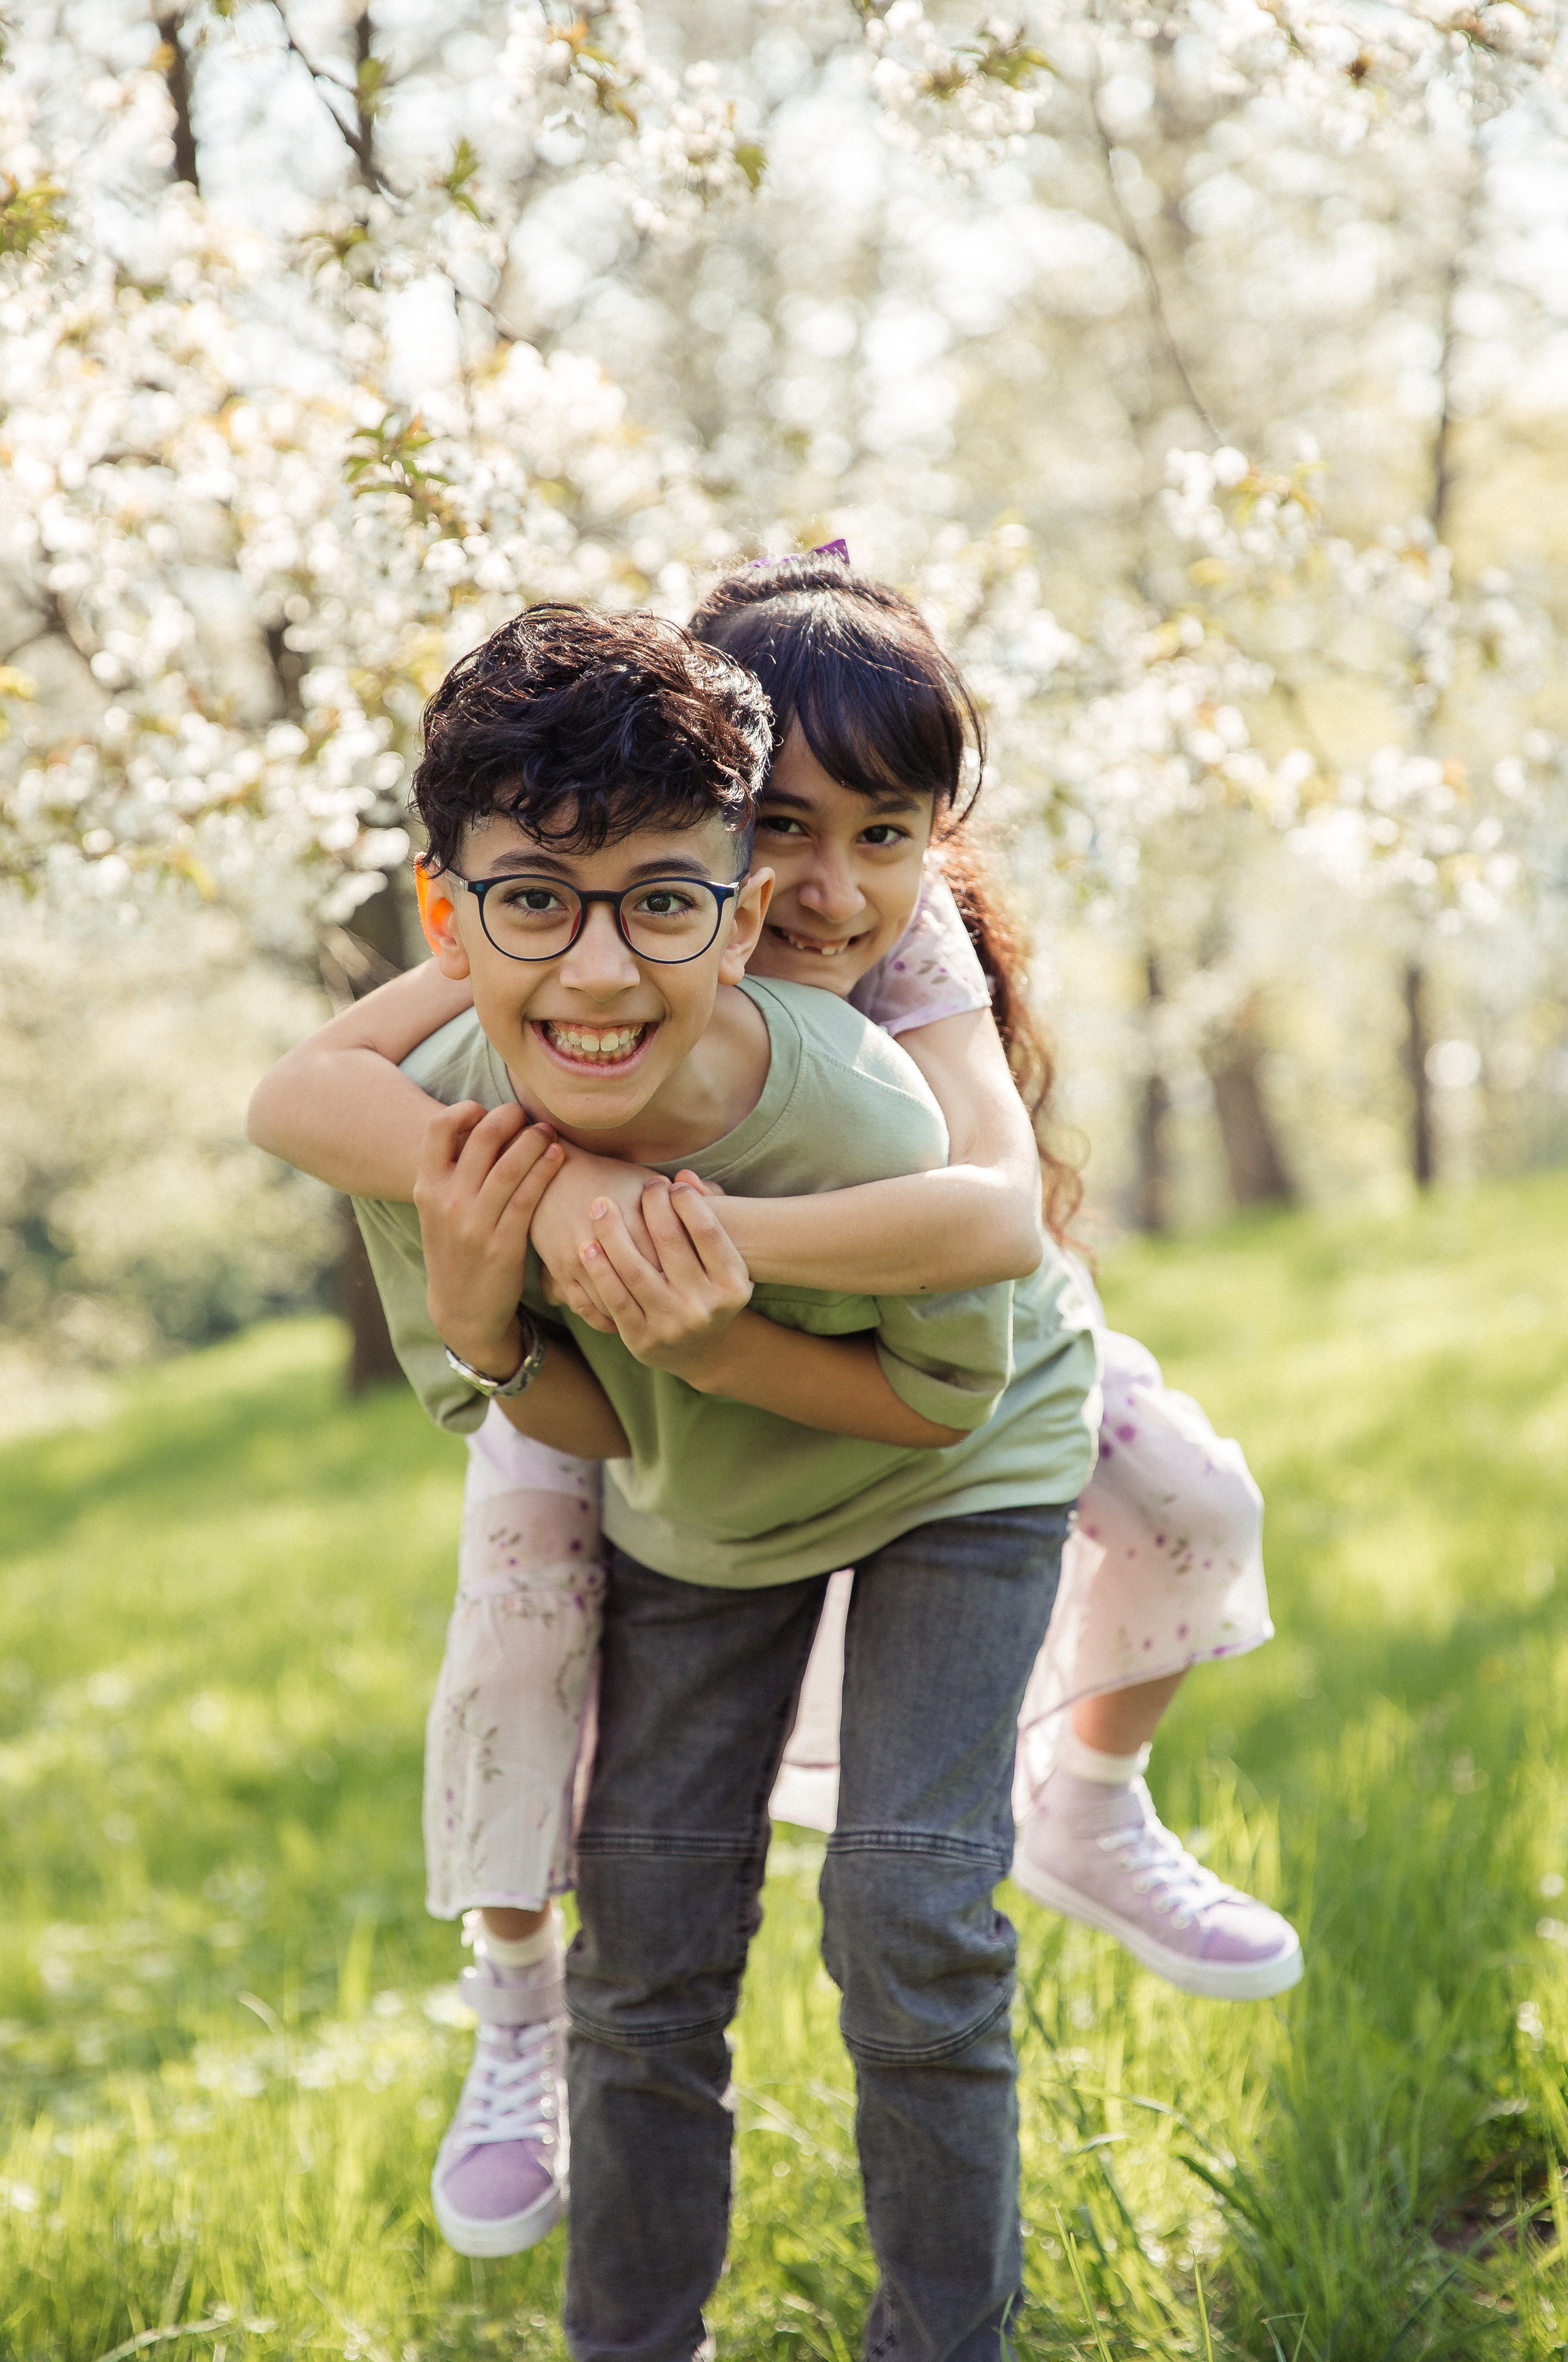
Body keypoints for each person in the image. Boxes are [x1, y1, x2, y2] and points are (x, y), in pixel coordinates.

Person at [250, 555, 1300, 2283]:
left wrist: (709, 1261)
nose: (830, 891)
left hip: (890, 1350)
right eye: (787, 833)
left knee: (1189, 1495)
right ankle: (517, 1999)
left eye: (883, 835)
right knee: (518, 1654)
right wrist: (553, 1231)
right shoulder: (596, 896)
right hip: (617, 1388)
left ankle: (1094, 1796)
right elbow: (305, 1094)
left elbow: (990, 1216)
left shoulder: (893, 943)